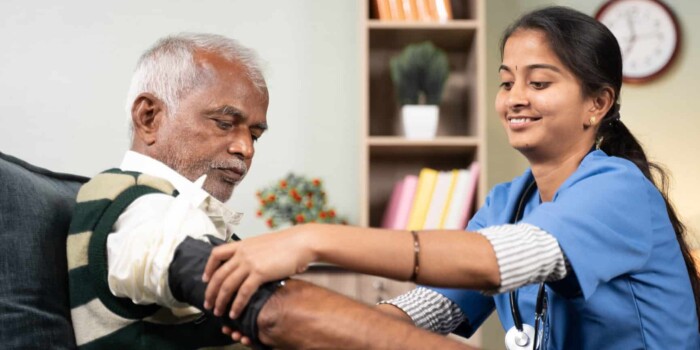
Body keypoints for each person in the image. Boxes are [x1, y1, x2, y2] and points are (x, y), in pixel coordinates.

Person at [202, 6, 700, 349]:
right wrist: (300, 326)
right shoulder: (509, 202)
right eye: (507, 82)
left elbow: (495, 263)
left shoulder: (619, 188)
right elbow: (423, 313)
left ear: (598, 103)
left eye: (540, 82)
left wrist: (312, 239)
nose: (515, 98)